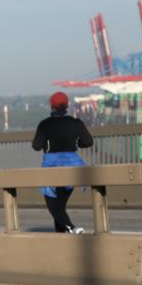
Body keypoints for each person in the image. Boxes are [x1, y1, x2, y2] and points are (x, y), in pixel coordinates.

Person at [31, 91, 94, 234]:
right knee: (60, 205)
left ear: (51, 106)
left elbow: (36, 146)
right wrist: (76, 143)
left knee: (53, 205)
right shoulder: (76, 123)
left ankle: (72, 228)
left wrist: (46, 144)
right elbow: (88, 141)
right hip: (72, 166)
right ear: (67, 106)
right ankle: (61, 237)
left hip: (51, 167)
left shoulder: (44, 125)